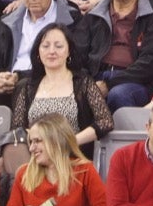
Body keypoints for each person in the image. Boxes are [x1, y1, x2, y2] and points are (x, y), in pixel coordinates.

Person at [0, 114, 105, 206]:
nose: (31, 148)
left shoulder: (84, 170)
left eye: (37, 141)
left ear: (56, 141)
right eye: (31, 142)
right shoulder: (24, 173)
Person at [10, 25, 113, 154]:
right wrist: (41, 144)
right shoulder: (27, 87)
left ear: (69, 51)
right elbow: (17, 129)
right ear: (38, 52)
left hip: (72, 156)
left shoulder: (83, 83)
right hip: (37, 158)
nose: (52, 51)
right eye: (45, 46)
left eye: (58, 46)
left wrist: (71, 142)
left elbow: (105, 121)